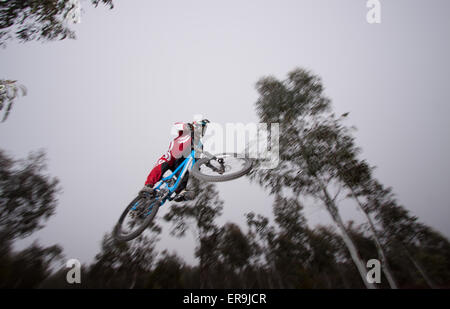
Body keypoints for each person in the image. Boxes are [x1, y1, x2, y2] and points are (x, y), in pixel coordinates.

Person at [140, 119, 209, 201]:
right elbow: (176, 125)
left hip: (179, 162)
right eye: (201, 128)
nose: (202, 131)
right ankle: (148, 185)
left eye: (204, 129)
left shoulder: (199, 144)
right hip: (171, 155)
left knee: (185, 174)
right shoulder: (186, 132)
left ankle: (180, 192)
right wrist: (187, 126)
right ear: (195, 126)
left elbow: (197, 158)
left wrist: (198, 167)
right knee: (162, 165)